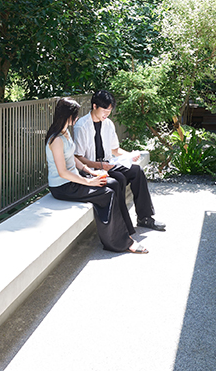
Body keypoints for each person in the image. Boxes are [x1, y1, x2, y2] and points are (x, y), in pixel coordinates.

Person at [45, 98, 147, 253]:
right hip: (63, 186)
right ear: (67, 115)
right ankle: (119, 242)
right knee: (106, 194)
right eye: (75, 114)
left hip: (72, 181)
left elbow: (72, 158)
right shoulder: (56, 139)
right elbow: (62, 172)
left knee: (112, 183)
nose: (77, 117)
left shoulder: (64, 133)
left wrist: (91, 172)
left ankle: (127, 231)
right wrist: (88, 182)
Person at [73, 90, 166, 233]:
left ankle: (145, 217)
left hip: (108, 164)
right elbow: (78, 157)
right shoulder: (81, 126)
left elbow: (115, 150)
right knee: (120, 179)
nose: (107, 114)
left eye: (110, 110)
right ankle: (120, 224)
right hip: (92, 169)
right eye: (105, 110)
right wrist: (99, 165)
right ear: (94, 106)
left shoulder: (108, 124)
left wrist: (130, 155)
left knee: (137, 171)